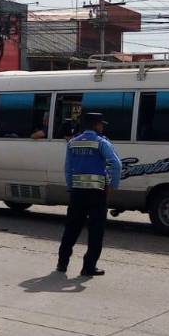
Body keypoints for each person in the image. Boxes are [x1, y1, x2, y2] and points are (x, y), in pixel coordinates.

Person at [57, 112, 123, 277]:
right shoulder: (101, 143)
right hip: (97, 194)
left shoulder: (72, 143)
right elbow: (116, 164)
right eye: (101, 124)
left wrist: (71, 188)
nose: (102, 127)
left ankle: (62, 264)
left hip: (77, 193)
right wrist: (113, 185)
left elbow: (67, 169)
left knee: (71, 228)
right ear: (96, 125)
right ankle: (88, 267)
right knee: (95, 231)